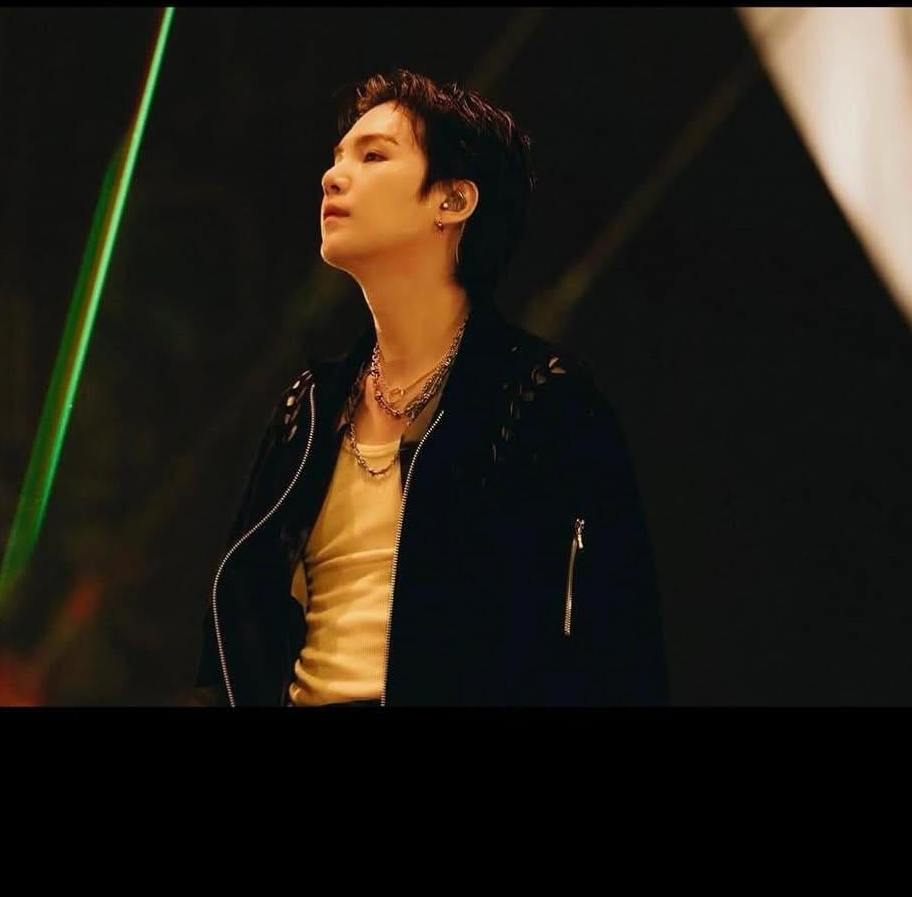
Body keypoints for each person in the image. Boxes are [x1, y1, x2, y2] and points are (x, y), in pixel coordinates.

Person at [194, 69, 668, 706]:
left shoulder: (540, 399)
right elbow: (232, 643)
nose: (333, 176)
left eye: (373, 156)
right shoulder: (308, 408)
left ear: (453, 201)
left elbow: (620, 642)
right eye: (338, 157)